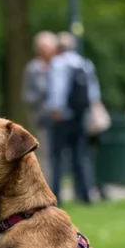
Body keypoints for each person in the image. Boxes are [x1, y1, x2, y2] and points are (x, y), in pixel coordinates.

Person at [44, 33, 94, 205]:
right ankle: (84, 193)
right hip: (80, 116)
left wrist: (56, 109)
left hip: (62, 117)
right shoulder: (84, 64)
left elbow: (57, 89)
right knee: (80, 155)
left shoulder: (58, 63)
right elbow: (94, 92)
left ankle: (56, 195)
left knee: (57, 157)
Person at [21, 31, 58, 185]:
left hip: (62, 118)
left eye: (48, 47)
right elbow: (26, 96)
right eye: (43, 47)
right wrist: (43, 94)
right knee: (45, 154)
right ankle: (47, 186)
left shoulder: (60, 66)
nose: (46, 50)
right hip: (43, 118)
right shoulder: (32, 69)